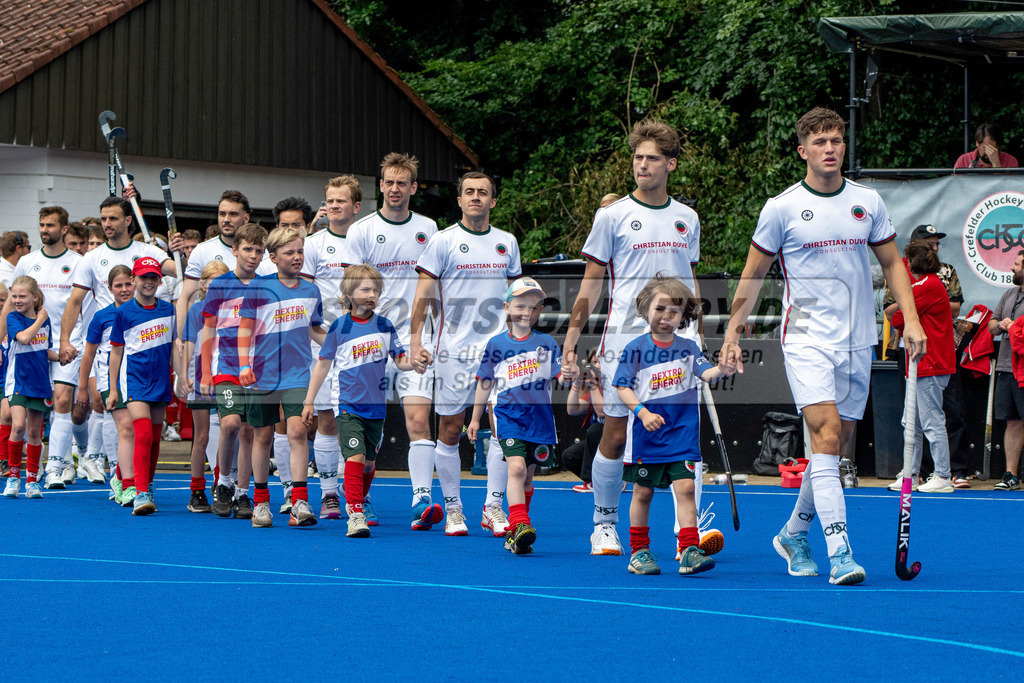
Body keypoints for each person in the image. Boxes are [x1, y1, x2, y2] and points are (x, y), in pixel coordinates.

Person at [720, 107, 926, 586]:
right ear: (803, 151)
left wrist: (911, 321)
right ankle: (840, 553)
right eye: (820, 142)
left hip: (859, 339)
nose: (830, 148)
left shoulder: (867, 201)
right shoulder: (782, 207)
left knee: (835, 446)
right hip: (807, 338)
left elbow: (894, 264)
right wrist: (733, 330)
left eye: (836, 140)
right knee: (827, 435)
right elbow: (753, 274)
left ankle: (794, 532)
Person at [561, 119, 705, 557]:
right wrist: (571, 340)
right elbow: (590, 283)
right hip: (625, 341)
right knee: (616, 436)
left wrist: (698, 333)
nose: (642, 165)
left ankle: (687, 538)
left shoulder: (687, 217)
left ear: (671, 164)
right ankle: (604, 523)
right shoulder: (613, 215)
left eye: (653, 158)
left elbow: (690, 281)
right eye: (638, 157)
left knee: (683, 437)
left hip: (680, 345)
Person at [410, 172, 522, 536]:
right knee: (450, 429)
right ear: (459, 200)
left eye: (483, 193)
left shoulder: (507, 242)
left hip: (500, 353)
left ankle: (492, 507)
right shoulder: (442, 242)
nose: (475, 197)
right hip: (453, 352)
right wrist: (415, 341)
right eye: (469, 192)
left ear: (493, 201)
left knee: (503, 429)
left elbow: (515, 301)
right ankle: (455, 508)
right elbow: (422, 295)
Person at [343, 153, 440, 528]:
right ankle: (361, 497)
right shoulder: (362, 230)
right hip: (370, 341)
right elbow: (351, 288)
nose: (395, 188)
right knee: (371, 429)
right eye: (389, 182)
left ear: (413, 188)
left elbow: (437, 287)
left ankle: (421, 499)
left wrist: (426, 334)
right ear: (380, 186)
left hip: (416, 338)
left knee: (418, 418)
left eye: (403, 183)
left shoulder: (430, 229)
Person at [613, 276, 732, 575]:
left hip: (682, 436)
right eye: (660, 308)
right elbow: (622, 388)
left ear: (683, 316)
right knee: (643, 492)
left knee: (687, 489)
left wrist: (724, 368)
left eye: (674, 312)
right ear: (645, 309)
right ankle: (639, 552)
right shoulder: (635, 348)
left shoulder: (689, 348)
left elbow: (707, 374)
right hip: (647, 437)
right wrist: (641, 413)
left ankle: (690, 549)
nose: (666, 316)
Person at [303, 264, 424, 537]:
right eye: (365, 289)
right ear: (349, 292)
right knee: (355, 457)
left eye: (376, 289)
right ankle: (355, 513)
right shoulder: (339, 326)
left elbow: (400, 359)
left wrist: (414, 363)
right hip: (347, 405)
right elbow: (323, 365)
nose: (372, 294)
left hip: (376, 406)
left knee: (369, 464)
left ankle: (355, 492)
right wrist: (309, 401)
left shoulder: (385, 325)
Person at [238, 226, 326, 528]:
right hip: (262, 375)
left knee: (298, 431)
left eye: (300, 251)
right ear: (273, 257)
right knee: (262, 436)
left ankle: (299, 501)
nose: (297, 257)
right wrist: (242, 366)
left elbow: (314, 329)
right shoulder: (258, 288)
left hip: (299, 374)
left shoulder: (311, 290)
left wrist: (335, 343)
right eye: (289, 252)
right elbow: (244, 330)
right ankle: (261, 503)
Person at [467, 277, 561, 554]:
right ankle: (520, 523)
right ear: (507, 307)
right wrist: (475, 419)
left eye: (534, 307)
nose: (527, 312)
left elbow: (560, 376)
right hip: (508, 416)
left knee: (528, 479)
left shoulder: (547, 342)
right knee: (516, 468)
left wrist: (573, 375)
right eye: (520, 306)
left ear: (540, 311)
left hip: (540, 421)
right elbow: (484, 382)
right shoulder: (496, 344)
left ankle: (516, 535)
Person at [883, 224, 969, 486]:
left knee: (931, 420)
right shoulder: (927, 285)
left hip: (929, 362)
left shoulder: (928, 286)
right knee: (911, 421)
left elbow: (897, 316)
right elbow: (897, 315)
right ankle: (909, 474)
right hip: (920, 362)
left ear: (913, 262)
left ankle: (942, 474)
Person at [7, 207, 84, 489]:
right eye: (41, 224)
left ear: (64, 229)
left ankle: (54, 467)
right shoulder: (27, 261)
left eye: (50, 225)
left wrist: (70, 341)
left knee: (63, 402)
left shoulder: (78, 262)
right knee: (23, 418)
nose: (44, 229)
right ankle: (29, 469)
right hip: (31, 347)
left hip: (67, 340)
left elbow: (78, 304)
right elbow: (11, 302)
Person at [301, 177, 360, 519]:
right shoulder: (313, 244)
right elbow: (305, 300)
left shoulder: (365, 239)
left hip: (362, 346)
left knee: (358, 420)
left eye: (341, 201)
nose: (334, 206)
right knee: (326, 419)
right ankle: (329, 494)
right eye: (330, 201)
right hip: (323, 342)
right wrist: (325, 339)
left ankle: (358, 494)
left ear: (356, 206)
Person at [200, 223, 268, 519]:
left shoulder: (267, 285)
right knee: (229, 425)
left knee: (249, 429)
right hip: (226, 365)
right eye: (248, 249)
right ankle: (223, 483)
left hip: (257, 369)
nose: (253, 256)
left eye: (259, 250)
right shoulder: (220, 285)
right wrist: (205, 372)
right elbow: (208, 329)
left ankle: (242, 493)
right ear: (235, 250)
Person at [76, 266, 135, 500]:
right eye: (118, 285)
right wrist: (82, 387)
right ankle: (119, 475)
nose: (124, 289)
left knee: (134, 428)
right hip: (109, 379)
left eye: (127, 284)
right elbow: (88, 354)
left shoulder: (144, 311)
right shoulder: (101, 316)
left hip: (138, 376)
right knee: (123, 426)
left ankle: (126, 475)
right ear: (109, 288)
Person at [179, 260, 230, 512]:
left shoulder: (233, 309)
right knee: (201, 436)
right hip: (201, 379)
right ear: (202, 283)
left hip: (226, 377)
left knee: (226, 432)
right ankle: (197, 490)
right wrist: (183, 376)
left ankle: (222, 483)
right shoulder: (196, 310)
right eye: (212, 280)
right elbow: (188, 346)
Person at [1, 276, 57, 499]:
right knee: (17, 427)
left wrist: (61, 356)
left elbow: (43, 349)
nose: (16, 300)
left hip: (40, 382)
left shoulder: (45, 320)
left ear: (34, 297)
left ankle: (32, 480)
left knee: (35, 432)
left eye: (22, 296)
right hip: (18, 381)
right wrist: (40, 319)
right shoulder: (13, 318)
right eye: (14, 296)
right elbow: (24, 339)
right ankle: (14, 477)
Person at [172, 190, 252, 339]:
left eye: (233, 214)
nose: (226, 219)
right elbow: (187, 298)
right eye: (222, 214)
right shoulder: (202, 250)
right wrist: (180, 338)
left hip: (249, 338)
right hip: (209, 338)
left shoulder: (260, 253)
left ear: (246, 218)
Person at [988, 250, 1024, 491]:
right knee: (1012, 421)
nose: (1012, 267)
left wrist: (1015, 329)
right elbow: (992, 325)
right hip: (1005, 366)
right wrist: (1000, 325)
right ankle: (1011, 474)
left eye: (1018, 263)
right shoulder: (1009, 294)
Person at [563, 352, 605, 492]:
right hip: (601, 439)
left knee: (596, 429)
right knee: (569, 456)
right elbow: (572, 410)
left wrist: (593, 386)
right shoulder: (594, 388)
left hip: (620, 439)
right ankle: (604, 482)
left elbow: (601, 412)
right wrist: (576, 383)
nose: (596, 366)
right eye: (593, 362)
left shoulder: (613, 386)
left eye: (599, 361)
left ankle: (595, 481)